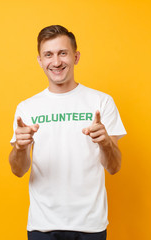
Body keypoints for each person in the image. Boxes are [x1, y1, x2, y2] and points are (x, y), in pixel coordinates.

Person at [9, 25, 127, 240]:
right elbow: (18, 170)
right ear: (40, 61)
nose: (56, 62)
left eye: (63, 53)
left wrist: (105, 143)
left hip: (90, 224)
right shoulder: (27, 108)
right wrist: (19, 148)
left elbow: (114, 167)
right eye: (48, 55)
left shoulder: (101, 102)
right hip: (42, 224)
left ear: (76, 56)